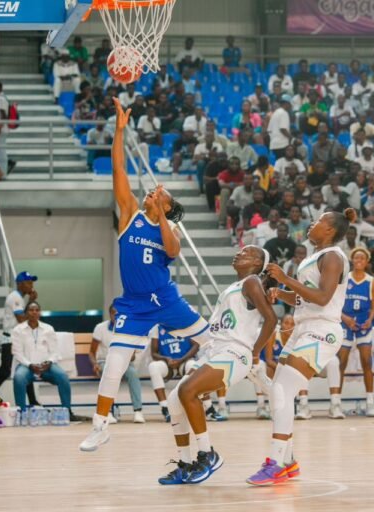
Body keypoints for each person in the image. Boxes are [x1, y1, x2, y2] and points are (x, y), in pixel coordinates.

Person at [79, 99, 209, 452]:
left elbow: (173, 251)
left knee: (213, 341)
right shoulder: (129, 215)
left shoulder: (170, 230)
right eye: (154, 189)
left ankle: (225, 382)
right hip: (135, 305)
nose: (154, 189)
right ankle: (99, 426)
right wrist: (119, 131)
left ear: (166, 205)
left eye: (161, 193)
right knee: (115, 362)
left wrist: (165, 215)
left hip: (166, 299)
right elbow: (118, 168)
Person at [246, 209, 354, 486]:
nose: (312, 224)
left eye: (318, 221)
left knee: (282, 391)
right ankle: (288, 461)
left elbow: (322, 297)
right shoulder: (314, 257)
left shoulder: (333, 257)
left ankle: (274, 464)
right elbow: (304, 298)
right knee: (278, 393)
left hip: (321, 330)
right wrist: (281, 293)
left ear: (329, 229)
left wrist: (285, 279)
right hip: (302, 327)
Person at [158, 246, 277, 485]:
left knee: (187, 391)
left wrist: (254, 352)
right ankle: (185, 463)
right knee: (174, 400)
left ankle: (207, 455)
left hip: (235, 352)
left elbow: (271, 319)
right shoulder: (236, 286)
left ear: (258, 264)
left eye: (248, 252)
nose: (240, 253)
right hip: (215, 350)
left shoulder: (252, 281)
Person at [11, 301, 84, 422]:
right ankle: (21, 414)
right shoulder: (18, 330)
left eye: (37, 310)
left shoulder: (48, 329)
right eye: (31, 310)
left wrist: (49, 362)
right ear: (26, 313)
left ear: (40, 313)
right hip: (26, 365)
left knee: (63, 376)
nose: (34, 312)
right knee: (18, 377)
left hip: (47, 365)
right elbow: (17, 352)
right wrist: (30, 365)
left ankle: (67, 411)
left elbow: (55, 351)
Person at [90, 303, 146, 424]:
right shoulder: (100, 328)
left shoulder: (129, 328)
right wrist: (94, 364)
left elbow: (133, 355)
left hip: (124, 362)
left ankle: (138, 411)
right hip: (104, 361)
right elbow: (91, 352)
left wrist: (130, 355)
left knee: (133, 374)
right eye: (114, 313)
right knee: (109, 372)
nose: (117, 316)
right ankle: (108, 412)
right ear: (110, 314)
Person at [339, 247, 374, 417]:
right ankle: (336, 402)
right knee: (341, 363)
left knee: (367, 363)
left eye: (362, 258)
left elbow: (373, 307)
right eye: (356, 258)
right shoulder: (344, 279)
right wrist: (345, 318)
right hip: (345, 323)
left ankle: (370, 403)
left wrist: (370, 319)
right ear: (352, 260)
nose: (359, 260)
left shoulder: (371, 282)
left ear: (367, 261)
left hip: (363, 324)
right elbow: (335, 303)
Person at [0, 271, 39, 404]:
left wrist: (30, 301)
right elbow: (22, 319)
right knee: (5, 371)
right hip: (10, 340)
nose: (31, 285)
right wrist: (31, 301)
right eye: (28, 282)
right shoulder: (15, 298)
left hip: (16, 339)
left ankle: (33, 401)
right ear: (20, 284)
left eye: (32, 282)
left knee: (26, 368)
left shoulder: (19, 298)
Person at [148, 326, 198, 422]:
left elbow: (196, 345)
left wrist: (181, 360)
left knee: (194, 365)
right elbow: (153, 353)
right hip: (168, 363)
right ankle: (165, 408)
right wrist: (166, 359)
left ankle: (208, 408)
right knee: (153, 366)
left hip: (185, 361)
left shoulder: (185, 323)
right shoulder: (157, 328)